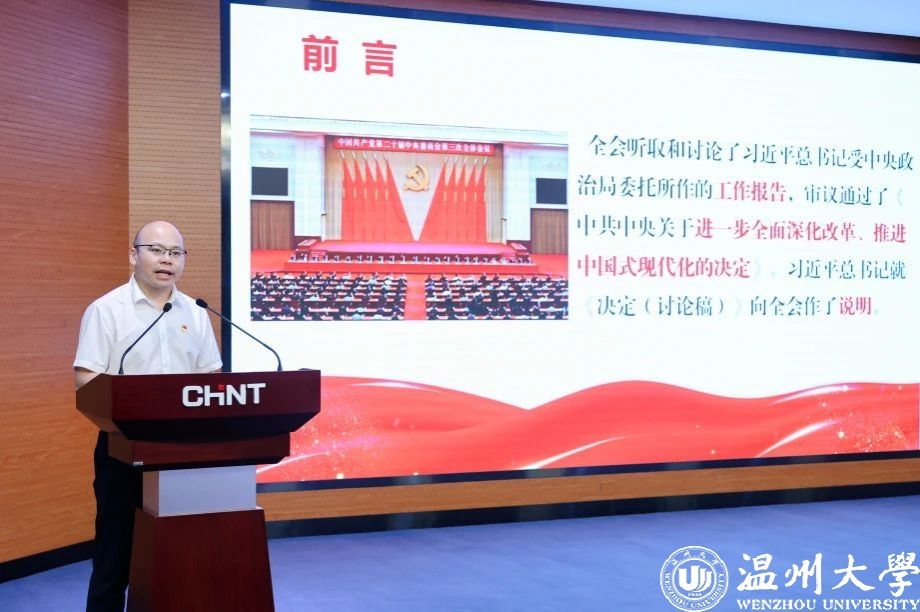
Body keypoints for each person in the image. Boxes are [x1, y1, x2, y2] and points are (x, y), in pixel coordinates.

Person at [74, 221, 222, 612]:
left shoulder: (196, 312)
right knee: (114, 561)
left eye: (175, 253)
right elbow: (86, 382)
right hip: (122, 454)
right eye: (156, 250)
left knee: (180, 560)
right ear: (133, 255)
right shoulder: (107, 310)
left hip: (183, 457)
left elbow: (211, 379)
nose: (166, 260)